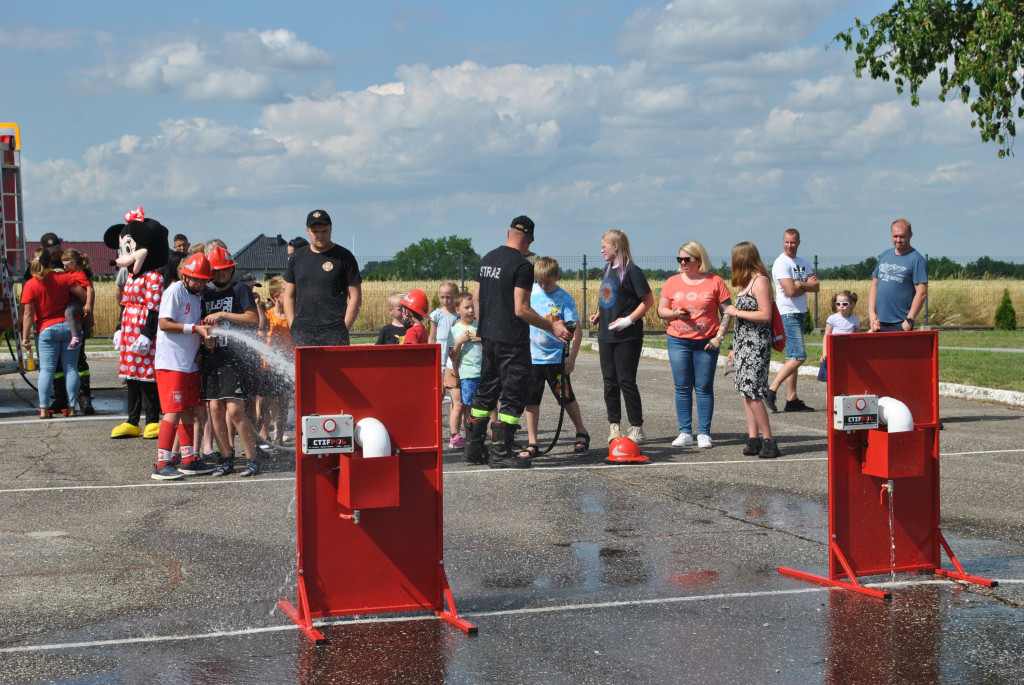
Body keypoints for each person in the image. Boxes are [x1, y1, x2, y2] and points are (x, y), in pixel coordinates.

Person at [464, 215, 570, 469]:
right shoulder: (522, 267)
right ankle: (500, 453)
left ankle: (474, 448)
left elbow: (477, 297)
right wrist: (553, 325)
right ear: (530, 239)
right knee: (512, 394)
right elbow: (521, 309)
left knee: (486, 391)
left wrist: (484, 325)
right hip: (512, 340)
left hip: (488, 337)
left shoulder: (487, 259)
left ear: (508, 232)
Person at [657, 240, 732, 449]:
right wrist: (674, 313)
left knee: (704, 387)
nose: (683, 263)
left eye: (687, 259)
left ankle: (704, 433)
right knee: (682, 387)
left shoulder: (715, 281)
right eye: (679, 259)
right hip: (678, 340)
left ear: (699, 259)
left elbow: (728, 311)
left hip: (706, 342)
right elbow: (661, 310)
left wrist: (719, 337)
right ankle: (685, 432)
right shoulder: (672, 282)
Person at [152, 253, 216, 480]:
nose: (200, 283)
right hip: (171, 363)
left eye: (203, 280)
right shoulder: (174, 291)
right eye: (196, 279)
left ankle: (188, 459)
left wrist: (203, 339)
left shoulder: (198, 297)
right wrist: (195, 330)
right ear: (185, 276)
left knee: (188, 410)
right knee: (173, 411)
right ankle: (162, 462)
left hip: (188, 364)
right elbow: (164, 323)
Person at [200, 245, 263, 477]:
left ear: (232, 269)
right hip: (211, 358)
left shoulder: (239, 290)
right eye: (216, 271)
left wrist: (223, 314)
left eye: (224, 270)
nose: (220, 275)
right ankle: (226, 457)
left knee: (235, 410)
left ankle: (252, 458)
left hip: (233, 359)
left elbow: (253, 318)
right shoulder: (205, 293)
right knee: (215, 409)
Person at [587, 229, 654, 444]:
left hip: (627, 337)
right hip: (606, 336)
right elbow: (611, 297)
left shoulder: (632, 270)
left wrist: (628, 320)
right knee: (609, 382)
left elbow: (648, 301)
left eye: (604, 246)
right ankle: (614, 426)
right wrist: (600, 314)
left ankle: (636, 428)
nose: (601, 250)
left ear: (615, 247)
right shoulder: (608, 269)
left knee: (626, 381)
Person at [522, 257, 590, 457]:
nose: (543, 285)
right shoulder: (531, 294)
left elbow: (576, 330)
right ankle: (532, 442)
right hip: (533, 358)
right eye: (540, 281)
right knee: (532, 400)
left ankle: (581, 431)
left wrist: (572, 359)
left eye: (548, 281)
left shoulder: (564, 298)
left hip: (556, 359)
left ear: (556, 276)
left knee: (566, 397)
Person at [724, 242, 780, 459]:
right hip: (742, 344)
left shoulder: (760, 281)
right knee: (745, 393)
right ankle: (753, 437)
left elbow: (766, 315)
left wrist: (736, 311)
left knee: (754, 392)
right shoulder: (745, 283)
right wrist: (733, 348)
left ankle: (769, 440)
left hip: (756, 345)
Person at [20, 249, 89, 418]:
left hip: (46, 330)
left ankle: (44, 409)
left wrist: (25, 336)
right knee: (71, 368)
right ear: (51, 263)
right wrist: (85, 310)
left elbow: (28, 314)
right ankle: (72, 407)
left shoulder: (31, 284)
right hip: (69, 328)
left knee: (47, 370)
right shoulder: (64, 277)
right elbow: (84, 294)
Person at [283, 210, 362, 346]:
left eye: (324, 231)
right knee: (303, 368)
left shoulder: (345, 257)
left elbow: (355, 297)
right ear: (307, 230)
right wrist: (293, 326)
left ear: (331, 228)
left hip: (334, 330)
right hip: (303, 330)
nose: (320, 235)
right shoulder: (297, 258)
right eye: (315, 231)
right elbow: (288, 296)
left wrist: (344, 328)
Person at [766, 228, 818, 413]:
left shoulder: (803, 262)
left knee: (792, 356)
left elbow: (816, 285)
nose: (790, 245)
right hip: (787, 313)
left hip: (799, 311)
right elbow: (790, 291)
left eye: (793, 242)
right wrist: (806, 285)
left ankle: (792, 399)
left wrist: (802, 284)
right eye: (787, 242)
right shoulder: (781, 263)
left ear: (799, 242)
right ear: (783, 241)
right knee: (799, 356)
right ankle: (771, 390)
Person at [869, 218, 928, 332]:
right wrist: (872, 314)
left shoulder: (917, 260)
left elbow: (922, 293)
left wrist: (909, 321)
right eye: (895, 236)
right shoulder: (885, 255)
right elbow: (875, 285)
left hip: (900, 322)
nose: (898, 240)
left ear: (910, 235)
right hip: (878, 322)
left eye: (902, 236)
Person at [256, 276, 294, 446]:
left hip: (284, 367)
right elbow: (260, 338)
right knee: (263, 403)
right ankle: (260, 436)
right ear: (277, 296)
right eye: (288, 294)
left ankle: (280, 436)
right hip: (267, 367)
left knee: (283, 402)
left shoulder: (292, 317)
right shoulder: (268, 317)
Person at [447, 292, 481, 448]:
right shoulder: (454, 330)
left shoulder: (480, 327)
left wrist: (480, 338)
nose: (470, 311)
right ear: (457, 309)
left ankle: (475, 435)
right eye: (466, 307)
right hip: (467, 373)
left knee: (481, 405)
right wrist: (459, 342)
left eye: (473, 307)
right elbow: (453, 355)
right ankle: (465, 436)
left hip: (482, 372)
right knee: (466, 405)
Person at [818, 290, 860, 382]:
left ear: (852, 304)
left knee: (846, 374)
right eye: (838, 303)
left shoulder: (854, 319)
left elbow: (857, 337)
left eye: (845, 304)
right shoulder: (832, 318)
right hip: (834, 350)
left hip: (848, 351)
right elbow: (826, 336)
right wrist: (825, 353)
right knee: (832, 376)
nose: (841, 306)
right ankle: (830, 395)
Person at [60, 249, 94, 351]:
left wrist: (88, 304)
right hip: (74, 300)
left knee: (68, 313)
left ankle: (75, 337)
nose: (65, 267)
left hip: (78, 301)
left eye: (66, 264)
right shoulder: (71, 273)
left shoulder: (79, 274)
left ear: (74, 263)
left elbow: (89, 288)